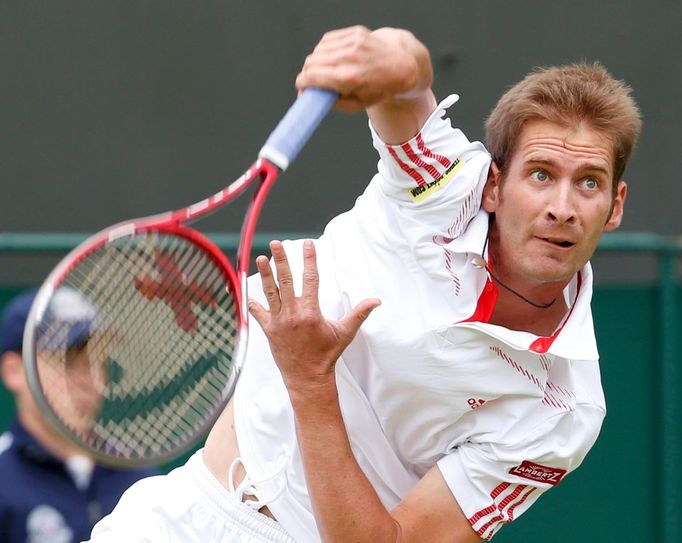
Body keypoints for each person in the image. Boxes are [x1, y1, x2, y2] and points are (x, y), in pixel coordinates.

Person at [87, 25, 641, 542]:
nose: (562, 208)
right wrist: (384, 56)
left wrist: (310, 381)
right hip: (180, 515)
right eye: (541, 175)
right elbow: (408, 83)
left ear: (614, 206)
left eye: (588, 183)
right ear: (493, 186)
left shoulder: (563, 411)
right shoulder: (445, 188)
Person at [0, 289, 157, 543]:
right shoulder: (4, 480)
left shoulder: (137, 477)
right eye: (66, 362)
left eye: (97, 360)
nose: (90, 380)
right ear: (14, 371)